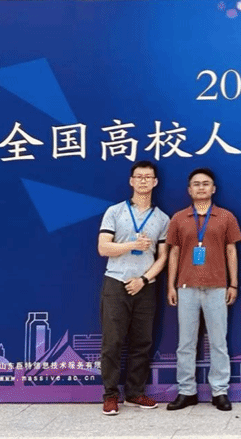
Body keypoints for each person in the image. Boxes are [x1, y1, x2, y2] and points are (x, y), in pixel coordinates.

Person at [166, 168, 241, 412]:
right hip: (186, 287)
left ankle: (219, 391)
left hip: (217, 286)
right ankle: (186, 391)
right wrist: (171, 285)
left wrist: (233, 283)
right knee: (185, 343)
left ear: (213, 188)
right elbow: (174, 253)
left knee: (218, 342)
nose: (201, 187)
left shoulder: (226, 217)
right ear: (189, 190)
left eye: (205, 183)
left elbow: (231, 251)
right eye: (196, 184)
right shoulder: (178, 218)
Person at [98, 161, 170, 416]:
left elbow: (163, 257)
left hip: (145, 286)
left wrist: (144, 279)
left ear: (155, 182)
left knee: (142, 342)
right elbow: (103, 248)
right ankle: (110, 395)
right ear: (131, 181)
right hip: (116, 282)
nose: (143, 181)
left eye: (148, 177)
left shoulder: (163, 218)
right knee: (112, 342)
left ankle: (135, 393)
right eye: (139, 177)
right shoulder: (115, 212)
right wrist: (132, 245)